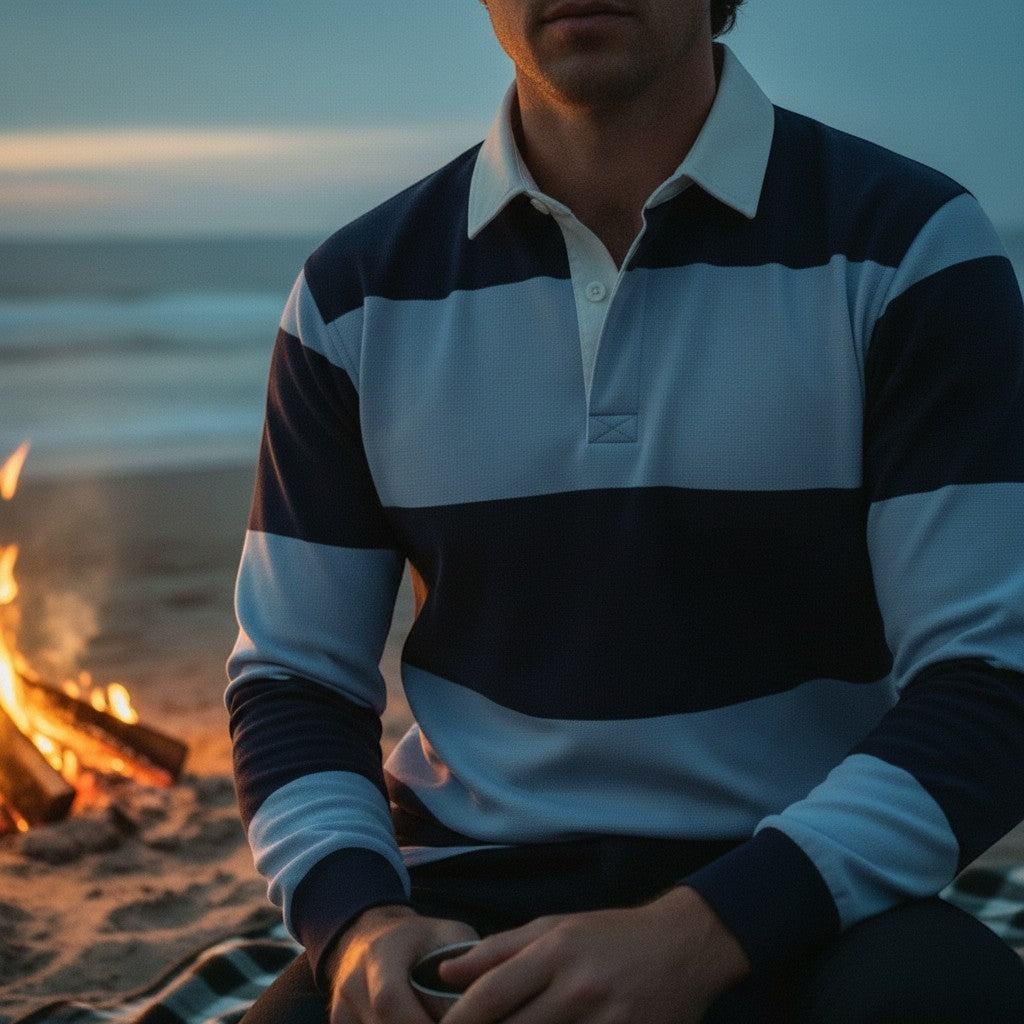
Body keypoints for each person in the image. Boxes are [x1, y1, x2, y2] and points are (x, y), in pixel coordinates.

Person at [227, 0, 1024, 1020]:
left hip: (808, 894)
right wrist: (357, 920)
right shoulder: (355, 297)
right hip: (466, 906)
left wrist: (705, 931)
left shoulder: (907, 252)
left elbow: (991, 678)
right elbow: (292, 676)